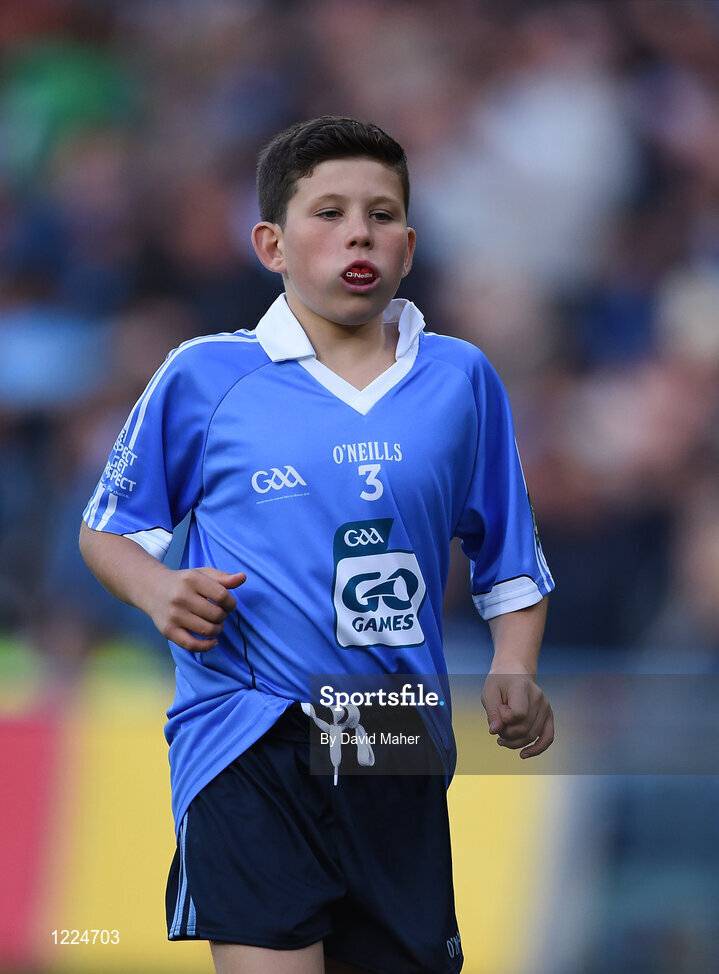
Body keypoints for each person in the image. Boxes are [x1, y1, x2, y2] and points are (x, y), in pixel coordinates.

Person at [79, 116, 555, 974]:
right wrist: (159, 591)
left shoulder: (459, 379)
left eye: (379, 215)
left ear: (407, 246)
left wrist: (514, 666)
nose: (356, 233)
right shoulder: (203, 376)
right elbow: (108, 532)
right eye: (327, 212)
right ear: (271, 243)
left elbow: (510, 559)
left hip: (388, 726)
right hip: (245, 724)